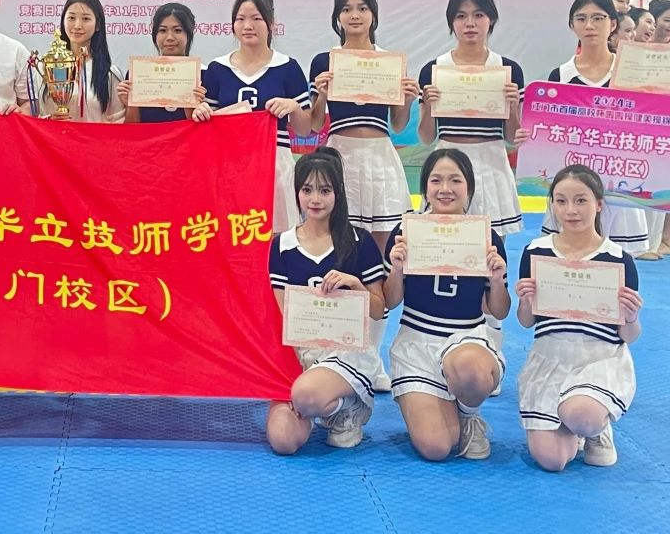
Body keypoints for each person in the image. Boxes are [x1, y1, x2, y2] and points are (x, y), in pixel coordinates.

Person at [308, 0, 419, 392]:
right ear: (337, 16)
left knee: (381, 257)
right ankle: (339, 349)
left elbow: (399, 124)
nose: (354, 15)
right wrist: (320, 93)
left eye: (362, 8)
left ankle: (372, 357)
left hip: (380, 158)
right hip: (340, 157)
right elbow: (315, 122)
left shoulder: (389, 61)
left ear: (373, 14)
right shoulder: (325, 61)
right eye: (346, 8)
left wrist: (407, 97)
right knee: (343, 251)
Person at [385, 148, 510, 461]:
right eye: (436, 180)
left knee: (470, 369)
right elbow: (390, 301)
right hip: (416, 343)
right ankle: (444, 407)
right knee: (437, 447)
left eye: (455, 180)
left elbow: (499, 311)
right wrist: (397, 270)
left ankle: (468, 414)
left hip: (467, 340)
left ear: (469, 187)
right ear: (424, 187)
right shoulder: (405, 232)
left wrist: (496, 280)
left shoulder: (486, 236)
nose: (445, 189)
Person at [516, 164, 641, 471]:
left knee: (582, 415)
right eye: (561, 201)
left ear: (598, 204)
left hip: (599, 359)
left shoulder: (618, 259)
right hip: (550, 358)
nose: (570, 210)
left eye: (581, 200)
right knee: (553, 461)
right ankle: (575, 424)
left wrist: (631, 316)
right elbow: (527, 322)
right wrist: (526, 301)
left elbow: (629, 336)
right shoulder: (536, 252)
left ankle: (596, 428)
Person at [266, 148, 386, 454]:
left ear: (338, 193)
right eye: (307, 190)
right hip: (298, 353)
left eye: (324, 190)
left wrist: (355, 285)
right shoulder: (282, 245)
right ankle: (322, 404)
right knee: (283, 441)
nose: (315, 199)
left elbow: (379, 309)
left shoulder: (359, 241)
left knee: (307, 394)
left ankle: (347, 407)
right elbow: (280, 312)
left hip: (346, 350)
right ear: (297, 193)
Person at [537, 0, 647, 254]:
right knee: (569, 254)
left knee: (619, 259)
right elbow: (550, 132)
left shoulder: (631, 72)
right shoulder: (560, 76)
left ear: (613, 24)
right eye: (581, 18)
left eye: (598, 18)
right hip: (573, 180)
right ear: (571, 25)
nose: (589, 25)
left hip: (621, 179)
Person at [417, 0, 524, 236]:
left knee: (493, 245)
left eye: (478, 15)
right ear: (452, 22)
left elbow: (512, 138)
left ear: (491, 19)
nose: (470, 23)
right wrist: (429, 105)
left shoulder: (508, 70)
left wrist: (511, 107)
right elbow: (426, 138)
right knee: (445, 239)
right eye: (461, 16)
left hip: (492, 163)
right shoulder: (434, 70)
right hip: (447, 162)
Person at [203, 0, 312, 232]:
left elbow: (305, 129)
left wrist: (293, 107)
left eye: (256, 18)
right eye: (240, 19)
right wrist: (201, 111)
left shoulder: (288, 67)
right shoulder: (217, 69)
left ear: (270, 23)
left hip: (275, 166)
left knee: (277, 236)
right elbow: (207, 129)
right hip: (229, 168)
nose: (247, 26)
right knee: (232, 234)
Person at [116, 3, 211, 124]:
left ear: (189, 33)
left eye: (177, 30)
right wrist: (130, 104)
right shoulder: (138, 74)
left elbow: (205, 130)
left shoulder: (205, 75)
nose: (170, 37)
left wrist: (193, 106)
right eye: (162, 30)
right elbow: (132, 129)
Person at [42, 0, 124, 123]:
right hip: (52, 136)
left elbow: (118, 121)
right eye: (71, 18)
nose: (77, 25)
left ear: (98, 25)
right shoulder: (47, 67)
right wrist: (49, 120)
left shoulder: (109, 73)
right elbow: (35, 115)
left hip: (94, 137)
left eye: (86, 19)